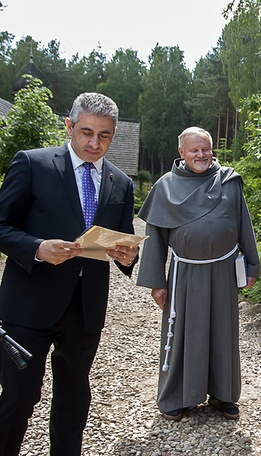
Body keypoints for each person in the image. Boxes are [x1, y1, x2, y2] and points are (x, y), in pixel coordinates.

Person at [0, 93, 139, 455]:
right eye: (87, 133)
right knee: (17, 398)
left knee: (74, 401)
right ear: (69, 125)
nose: (95, 143)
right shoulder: (32, 164)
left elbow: (122, 243)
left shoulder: (121, 183)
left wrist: (128, 254)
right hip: (29, 305)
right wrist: (37, 248)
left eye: (104, 136)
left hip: (85, 308)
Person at [136, 127, 259, 421]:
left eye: (205, 149)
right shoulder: (165, 187)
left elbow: (244, 225)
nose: (201, 155)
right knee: (181, 335)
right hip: (184, 274)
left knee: (222, 333)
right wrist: (156, 282)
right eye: (194, 150)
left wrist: (252, 265)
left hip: (223, 272)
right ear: (182, 153)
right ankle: (177, 397)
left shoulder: (228, 182)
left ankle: (223, 395)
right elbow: (155, 238)